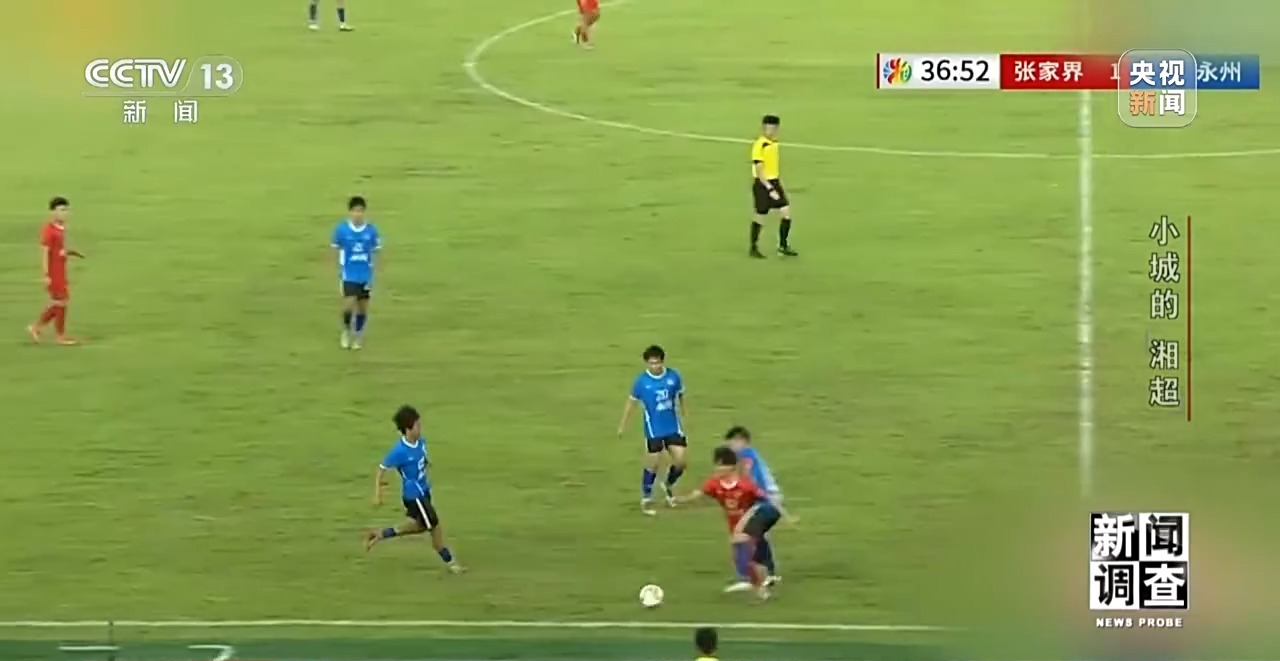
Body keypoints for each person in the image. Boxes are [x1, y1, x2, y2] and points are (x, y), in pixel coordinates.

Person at [675, 446, 794, 599]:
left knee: (747, 549)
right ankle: (762, 579)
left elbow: (765, 502)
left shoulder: (745, 486)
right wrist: (681, 500)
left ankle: (758, 584)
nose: (716, 468)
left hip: (750, 521)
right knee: (749, 550)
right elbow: (699, 494)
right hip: (735, 524)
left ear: (730, 466)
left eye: (720, 465)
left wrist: (785, 516)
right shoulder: (714, 483)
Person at [365, 405, 465, 574]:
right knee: (434, 526)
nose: (420, 428)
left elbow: (422, 456)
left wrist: (426, 463)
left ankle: (381, 534)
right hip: (414, 496)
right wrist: (378, 494)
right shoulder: (399, 451)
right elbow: (381, 469)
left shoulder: (421, 442)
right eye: (417, 425)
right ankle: (452, 564)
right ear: (408, 429)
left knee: (420, 526)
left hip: (424, 491)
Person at [617, 345, 688, 515]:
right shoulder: (641, 382)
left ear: (663, 362)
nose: (654, 366)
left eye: (657, 363)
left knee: (681, 461)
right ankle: (646, 498)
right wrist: (623, 425)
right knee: (653, 463)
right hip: (654, 428)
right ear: (647, 363)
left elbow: (681, 395)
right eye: (651, 363)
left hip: (672, 425)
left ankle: (668, 485)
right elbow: (631, 403)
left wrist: (686, 414)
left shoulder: (673, 376)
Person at [725, 426, 782, 589]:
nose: (730, 447)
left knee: (743, 535)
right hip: (768, 501)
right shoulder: (749, 456)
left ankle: (749, 578)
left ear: (742, 441)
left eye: (732, 443)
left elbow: (753, 483)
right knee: (758, 535)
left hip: (764, 502)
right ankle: (769, 574)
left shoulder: (746, 457)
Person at [28, 197, 84, 345]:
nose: (65, 213)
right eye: (61, 210)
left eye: (66, 210)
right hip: (54, 272)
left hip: (60, 270)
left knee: (60, 302)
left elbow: (57, 250)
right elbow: (45, 252)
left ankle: (37, 328)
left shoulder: (60, 228)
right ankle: (57, 335)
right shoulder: (49, 230)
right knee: (61, 301)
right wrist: (46, 275)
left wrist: (69, 252)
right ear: (53, 212)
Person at [331, 196, 381, 350]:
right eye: (355, 211)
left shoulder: (371, 231)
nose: (357, 214)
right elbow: (335, 249)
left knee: (362, 307)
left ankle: (358, 335)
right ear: (350, 212)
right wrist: (338, 268)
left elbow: (376, 252)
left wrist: (374, 272)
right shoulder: (341, 230)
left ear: (364, 212)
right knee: (348, 304)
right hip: (349, 274)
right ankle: (346, 331)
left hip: (365, 275)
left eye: (360, 211)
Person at [749, 115, 798, 259]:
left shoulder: (774, 143)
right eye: (768, 128)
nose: (770, 131)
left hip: (775, 181)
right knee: (761, 216)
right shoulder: (760, 145)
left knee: (786, 213)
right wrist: (769, 189)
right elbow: (759, 169)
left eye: (773, 128)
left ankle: (783, 246)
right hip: (762, 184)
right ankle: (753, 247)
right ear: (763, 128)